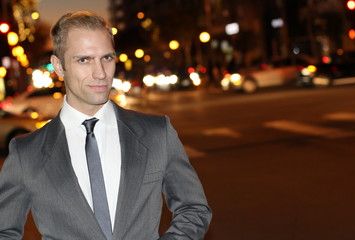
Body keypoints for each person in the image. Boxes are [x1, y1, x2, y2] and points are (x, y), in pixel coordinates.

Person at [0, 11, 212, 240]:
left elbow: (194, 208)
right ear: (59, 66)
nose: (100, 73)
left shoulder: (157, 132)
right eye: (84, 60)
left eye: (107, 58)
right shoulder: (26, 153)